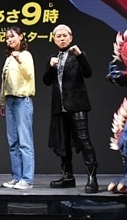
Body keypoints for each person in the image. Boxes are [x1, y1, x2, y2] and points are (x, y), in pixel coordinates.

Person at [42, 24, 99, 193]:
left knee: (83, 139)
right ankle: (68, 177)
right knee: (63, 142)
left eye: (64, 35)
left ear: (71, 38)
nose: (61, 39)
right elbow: (46, 81)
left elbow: (88, 73)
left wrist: (80, 55)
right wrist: (50, 67)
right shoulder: (53, 58)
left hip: (77, 104)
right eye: (58, 36)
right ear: (54, 39)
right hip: (59, 107)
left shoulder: (77, 55)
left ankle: (92, 178)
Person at [0, 26, 35, 190]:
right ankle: (16, 177)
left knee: (25, 142)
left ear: (21, 36)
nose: (9, 40)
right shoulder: (9, 58)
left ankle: (27, 179)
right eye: (7, 38)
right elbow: (4, 82)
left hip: (22, 100)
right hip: (10, 101)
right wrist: (2, 101)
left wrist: (19, 59)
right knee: (13, 142)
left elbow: (29, 74)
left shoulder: (25, 55)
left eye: (12, 36)